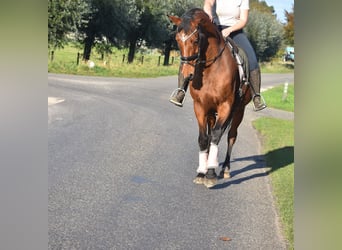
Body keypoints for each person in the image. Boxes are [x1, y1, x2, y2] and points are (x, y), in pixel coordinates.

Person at [169, 0, 267, 111]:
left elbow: (243, 20)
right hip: (213, 28)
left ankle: (256, 96)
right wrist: (208, 13)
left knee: (252, 58)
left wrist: (229, 29)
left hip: (235, 31)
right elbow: (208, 3)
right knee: (191, 51)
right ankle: (181, 90)